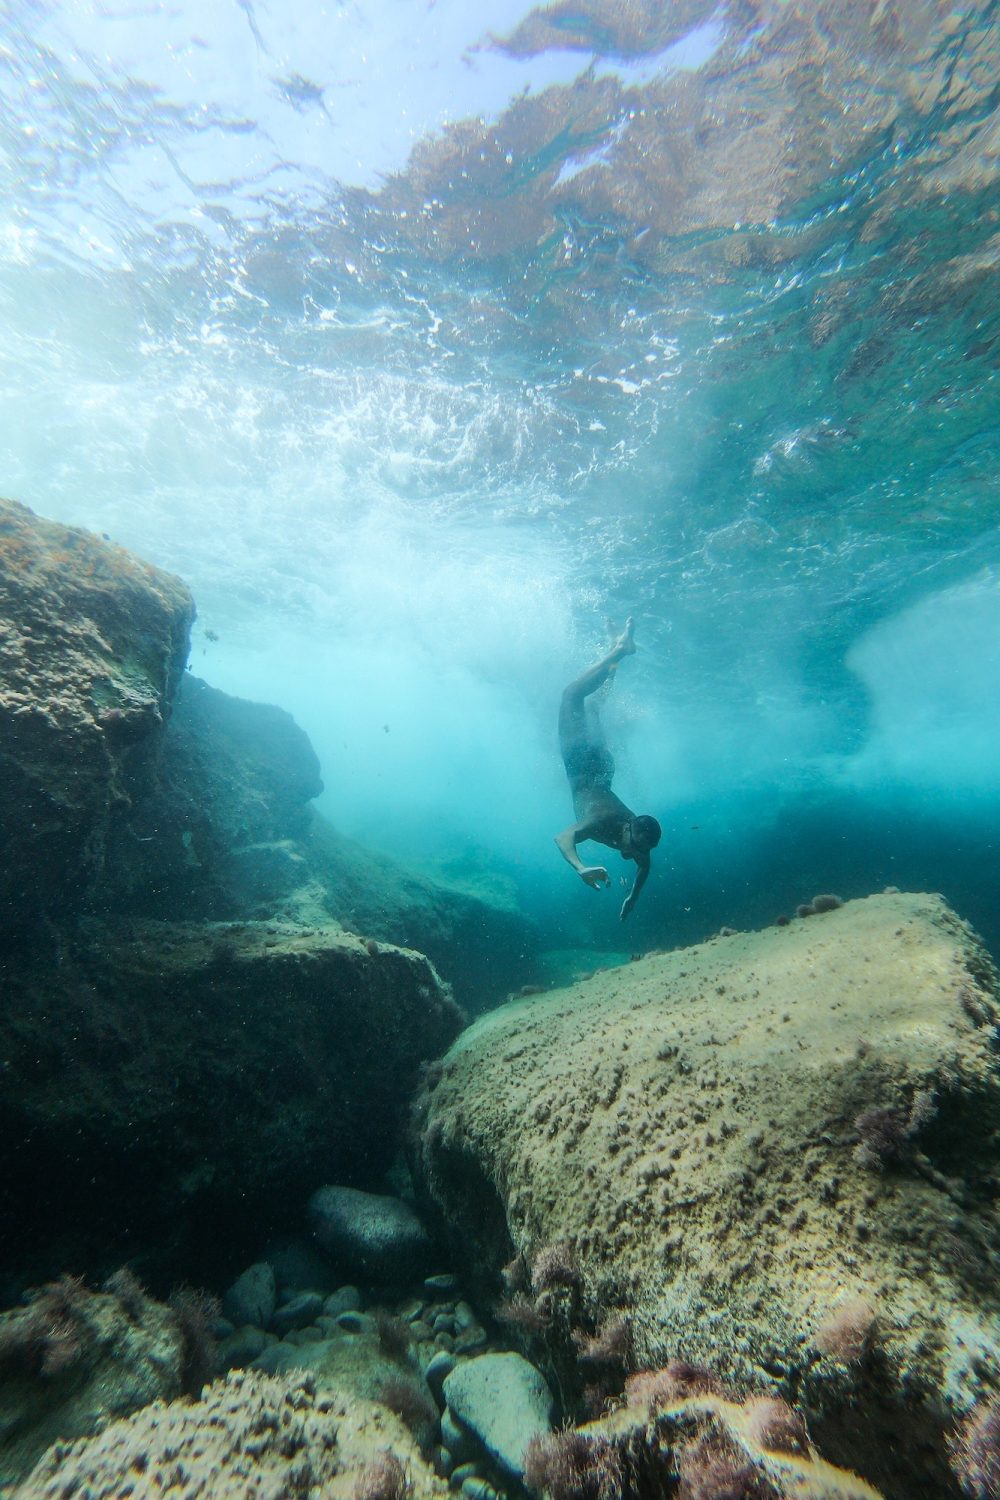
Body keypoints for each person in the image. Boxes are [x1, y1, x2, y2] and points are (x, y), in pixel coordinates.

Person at [555, 618, 661, 920]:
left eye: (639, 850)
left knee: (593, 707)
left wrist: (633, 896)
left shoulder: (640, 843)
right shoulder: (603, 820)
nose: (631, 854)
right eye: (634, 846)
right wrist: (581, 868)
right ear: (628, 828)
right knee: (571, 695)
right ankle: (618, 651)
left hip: (602, 770)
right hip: (581, 763)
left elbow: (644, 868)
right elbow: (562, 838)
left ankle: (614, 653)